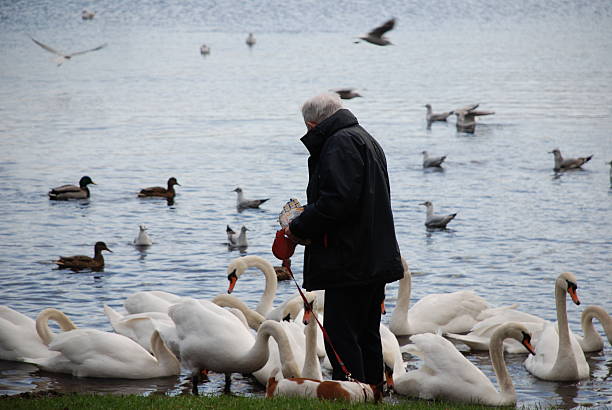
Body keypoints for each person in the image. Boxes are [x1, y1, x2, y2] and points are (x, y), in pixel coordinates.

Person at [285, 92, 403, 386]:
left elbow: (336, 202)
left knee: (342, 334)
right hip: (371, 255)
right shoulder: (364, 138)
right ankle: (372, 393)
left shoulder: (338, 144)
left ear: (313, 125)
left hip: (349, 259)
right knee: (366, 332)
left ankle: (350, 393)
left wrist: (298, 228)